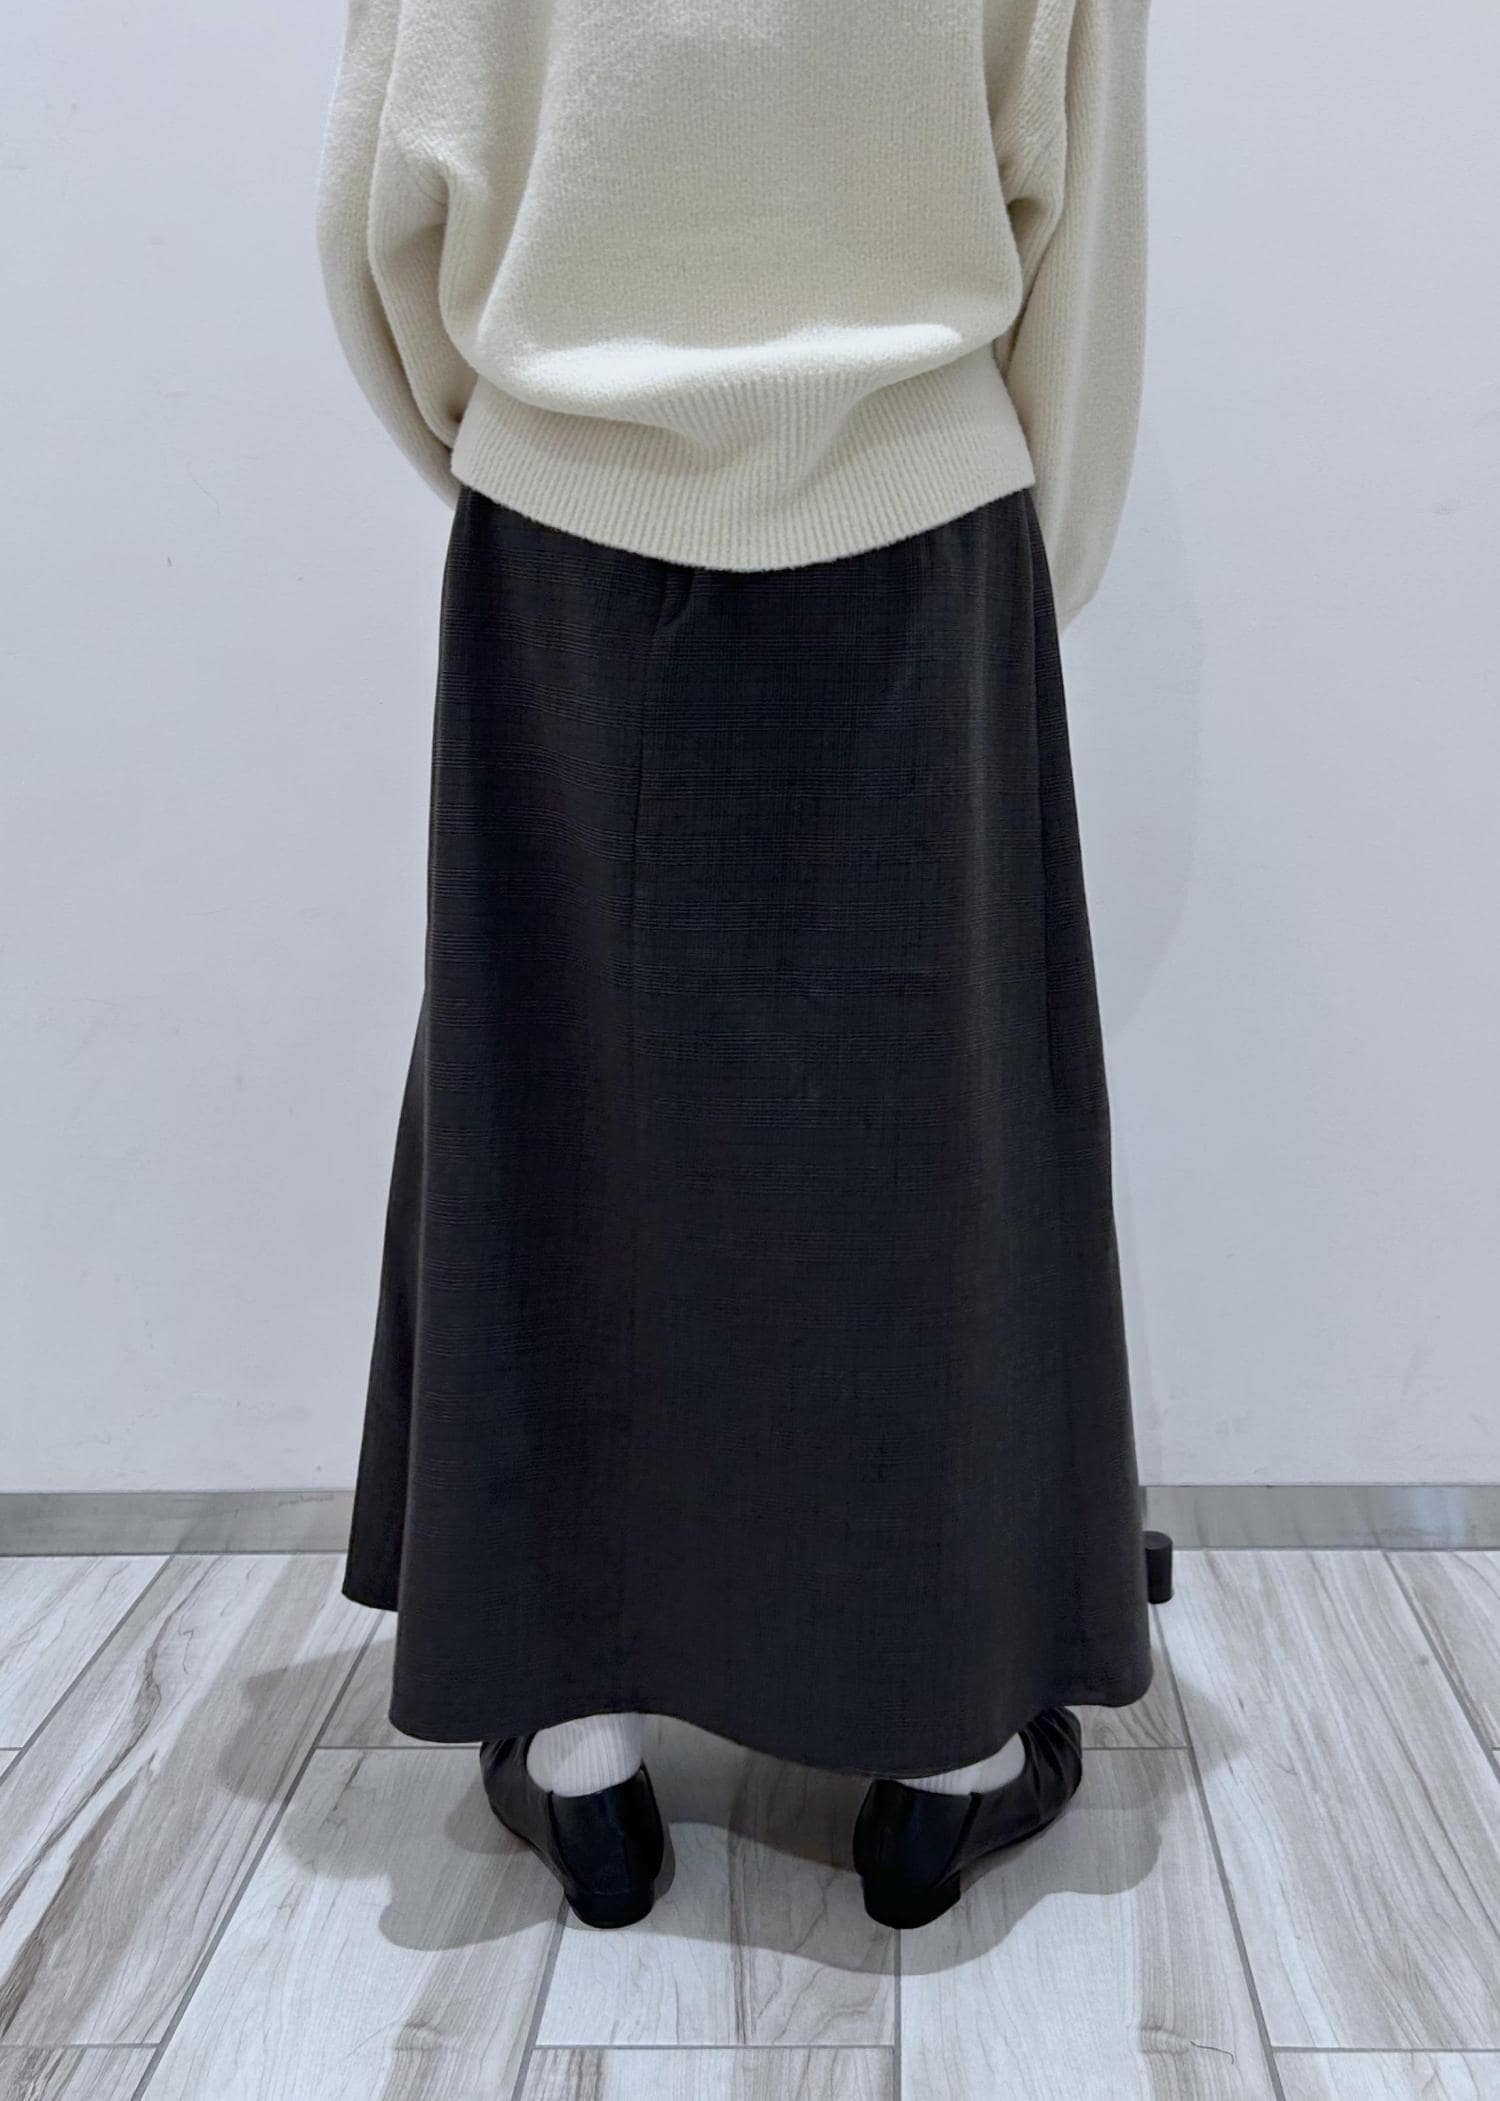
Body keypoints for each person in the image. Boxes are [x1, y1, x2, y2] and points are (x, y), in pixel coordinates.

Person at [315, 0, 1155, 1932]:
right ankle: (947, 1758)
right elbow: (1078, 194)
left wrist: (538, 438)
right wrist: (1038, 550)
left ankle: (582, 1739)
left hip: (564, 507)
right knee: (936, 1130)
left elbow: (388, 189)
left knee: (559, 1098)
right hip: (918, 503)